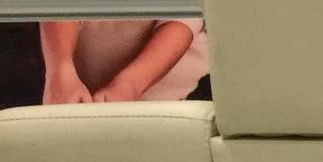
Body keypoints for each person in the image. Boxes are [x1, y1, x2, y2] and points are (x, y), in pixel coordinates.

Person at [39, 19, 209, 104]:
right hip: (77, 100)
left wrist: (129, 85)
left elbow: (180, 24)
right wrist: (60, 70)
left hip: (170, 103)